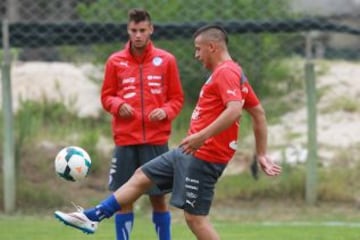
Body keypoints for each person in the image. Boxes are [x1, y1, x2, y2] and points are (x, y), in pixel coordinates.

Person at [54, 24, 281, 240]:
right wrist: (261, 154)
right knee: (142, 176)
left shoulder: (227, 72)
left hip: (205, 155)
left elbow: (234, 111)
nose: (196, 55)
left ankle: (93, 216)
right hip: (190, 151)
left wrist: (201, 137)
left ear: (212, 47)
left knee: (195, 219)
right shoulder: (232, 72)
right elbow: (258, 112)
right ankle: (92, 217)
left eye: (198, 49)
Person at [99, 8, 184, 240]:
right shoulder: (115, 61)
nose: (138, 35)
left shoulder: (166, 60)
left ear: (151, 30)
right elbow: (106, 96)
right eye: (134, 30)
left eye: (142, 30)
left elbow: (177, 99)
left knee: (158, 198)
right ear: (128, 30)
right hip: (126, 140)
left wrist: (165, 111)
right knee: (124, 198)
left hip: (156, 141)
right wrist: (117, 105)